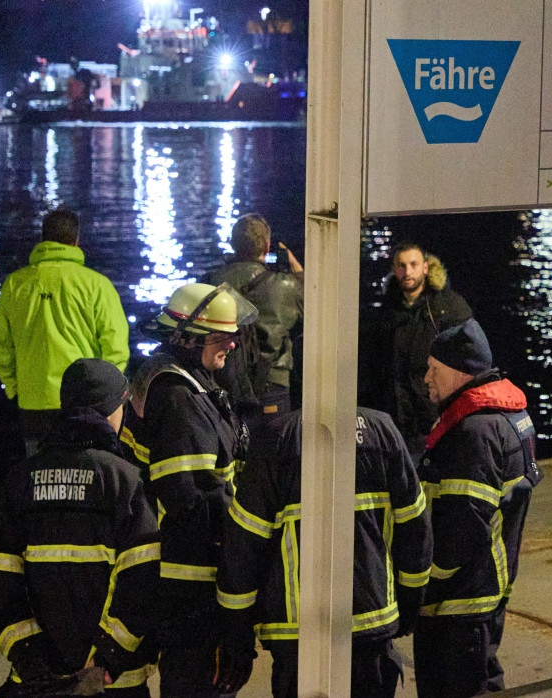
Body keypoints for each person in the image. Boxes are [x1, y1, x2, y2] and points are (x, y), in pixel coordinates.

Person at [213, 407, 432, 698]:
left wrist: (238, 638)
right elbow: (415, 528)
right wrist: (408, 604)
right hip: (372, 631)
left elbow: (243, 547)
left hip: (298, 640)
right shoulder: (383, 431)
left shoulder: (278, 437)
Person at [0, 358, 160, 696]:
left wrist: (28, 655)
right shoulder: (125, 480)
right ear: (112, 409)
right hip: (113, 682)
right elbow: (142, 582)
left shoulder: (18, 481)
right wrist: (109, 656)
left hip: (36, 681)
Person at [126, 282, 256, 696]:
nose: (233, 345)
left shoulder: (184, 380)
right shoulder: (179, 398)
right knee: (200, 682)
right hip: (193, 580)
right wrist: (241, 549)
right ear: (190, 337)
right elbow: (192, 500)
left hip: (192, 573)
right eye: (223, 337)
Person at [414, 319, 542, 697]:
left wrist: (425, 577)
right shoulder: (509, 417)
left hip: (460, 600)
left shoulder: (474, 433)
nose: (426, 378)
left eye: (433, 369)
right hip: (486, 588)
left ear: (457, 373)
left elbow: (464, 523)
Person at [0, 207, 130, 456]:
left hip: (34, 403)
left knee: (42, 479)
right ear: (76, 241)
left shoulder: (15, 284)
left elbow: (0, 347)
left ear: (43, 240)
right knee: (90, 476)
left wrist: (15, 386)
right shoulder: (97, 285)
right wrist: (106, 398)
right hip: (86, 403)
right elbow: (115, 348)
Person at [359, 242, 472, 456]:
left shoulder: (448, 308)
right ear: (394, 269)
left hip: (434, 423)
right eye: (401, 266)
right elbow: (372, 369)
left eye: (414, 264)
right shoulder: (385, 313)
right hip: (395, 425)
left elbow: (470, 361)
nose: (407, 271)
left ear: (426, 268)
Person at [207, 213, 304, 435]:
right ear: (268, 246)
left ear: (232, 244)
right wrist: (294, 265)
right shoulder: (287, 286)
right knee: (273, 459)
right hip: (273, 384)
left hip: (224, 382)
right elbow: (315, 301)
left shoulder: (211, 282)